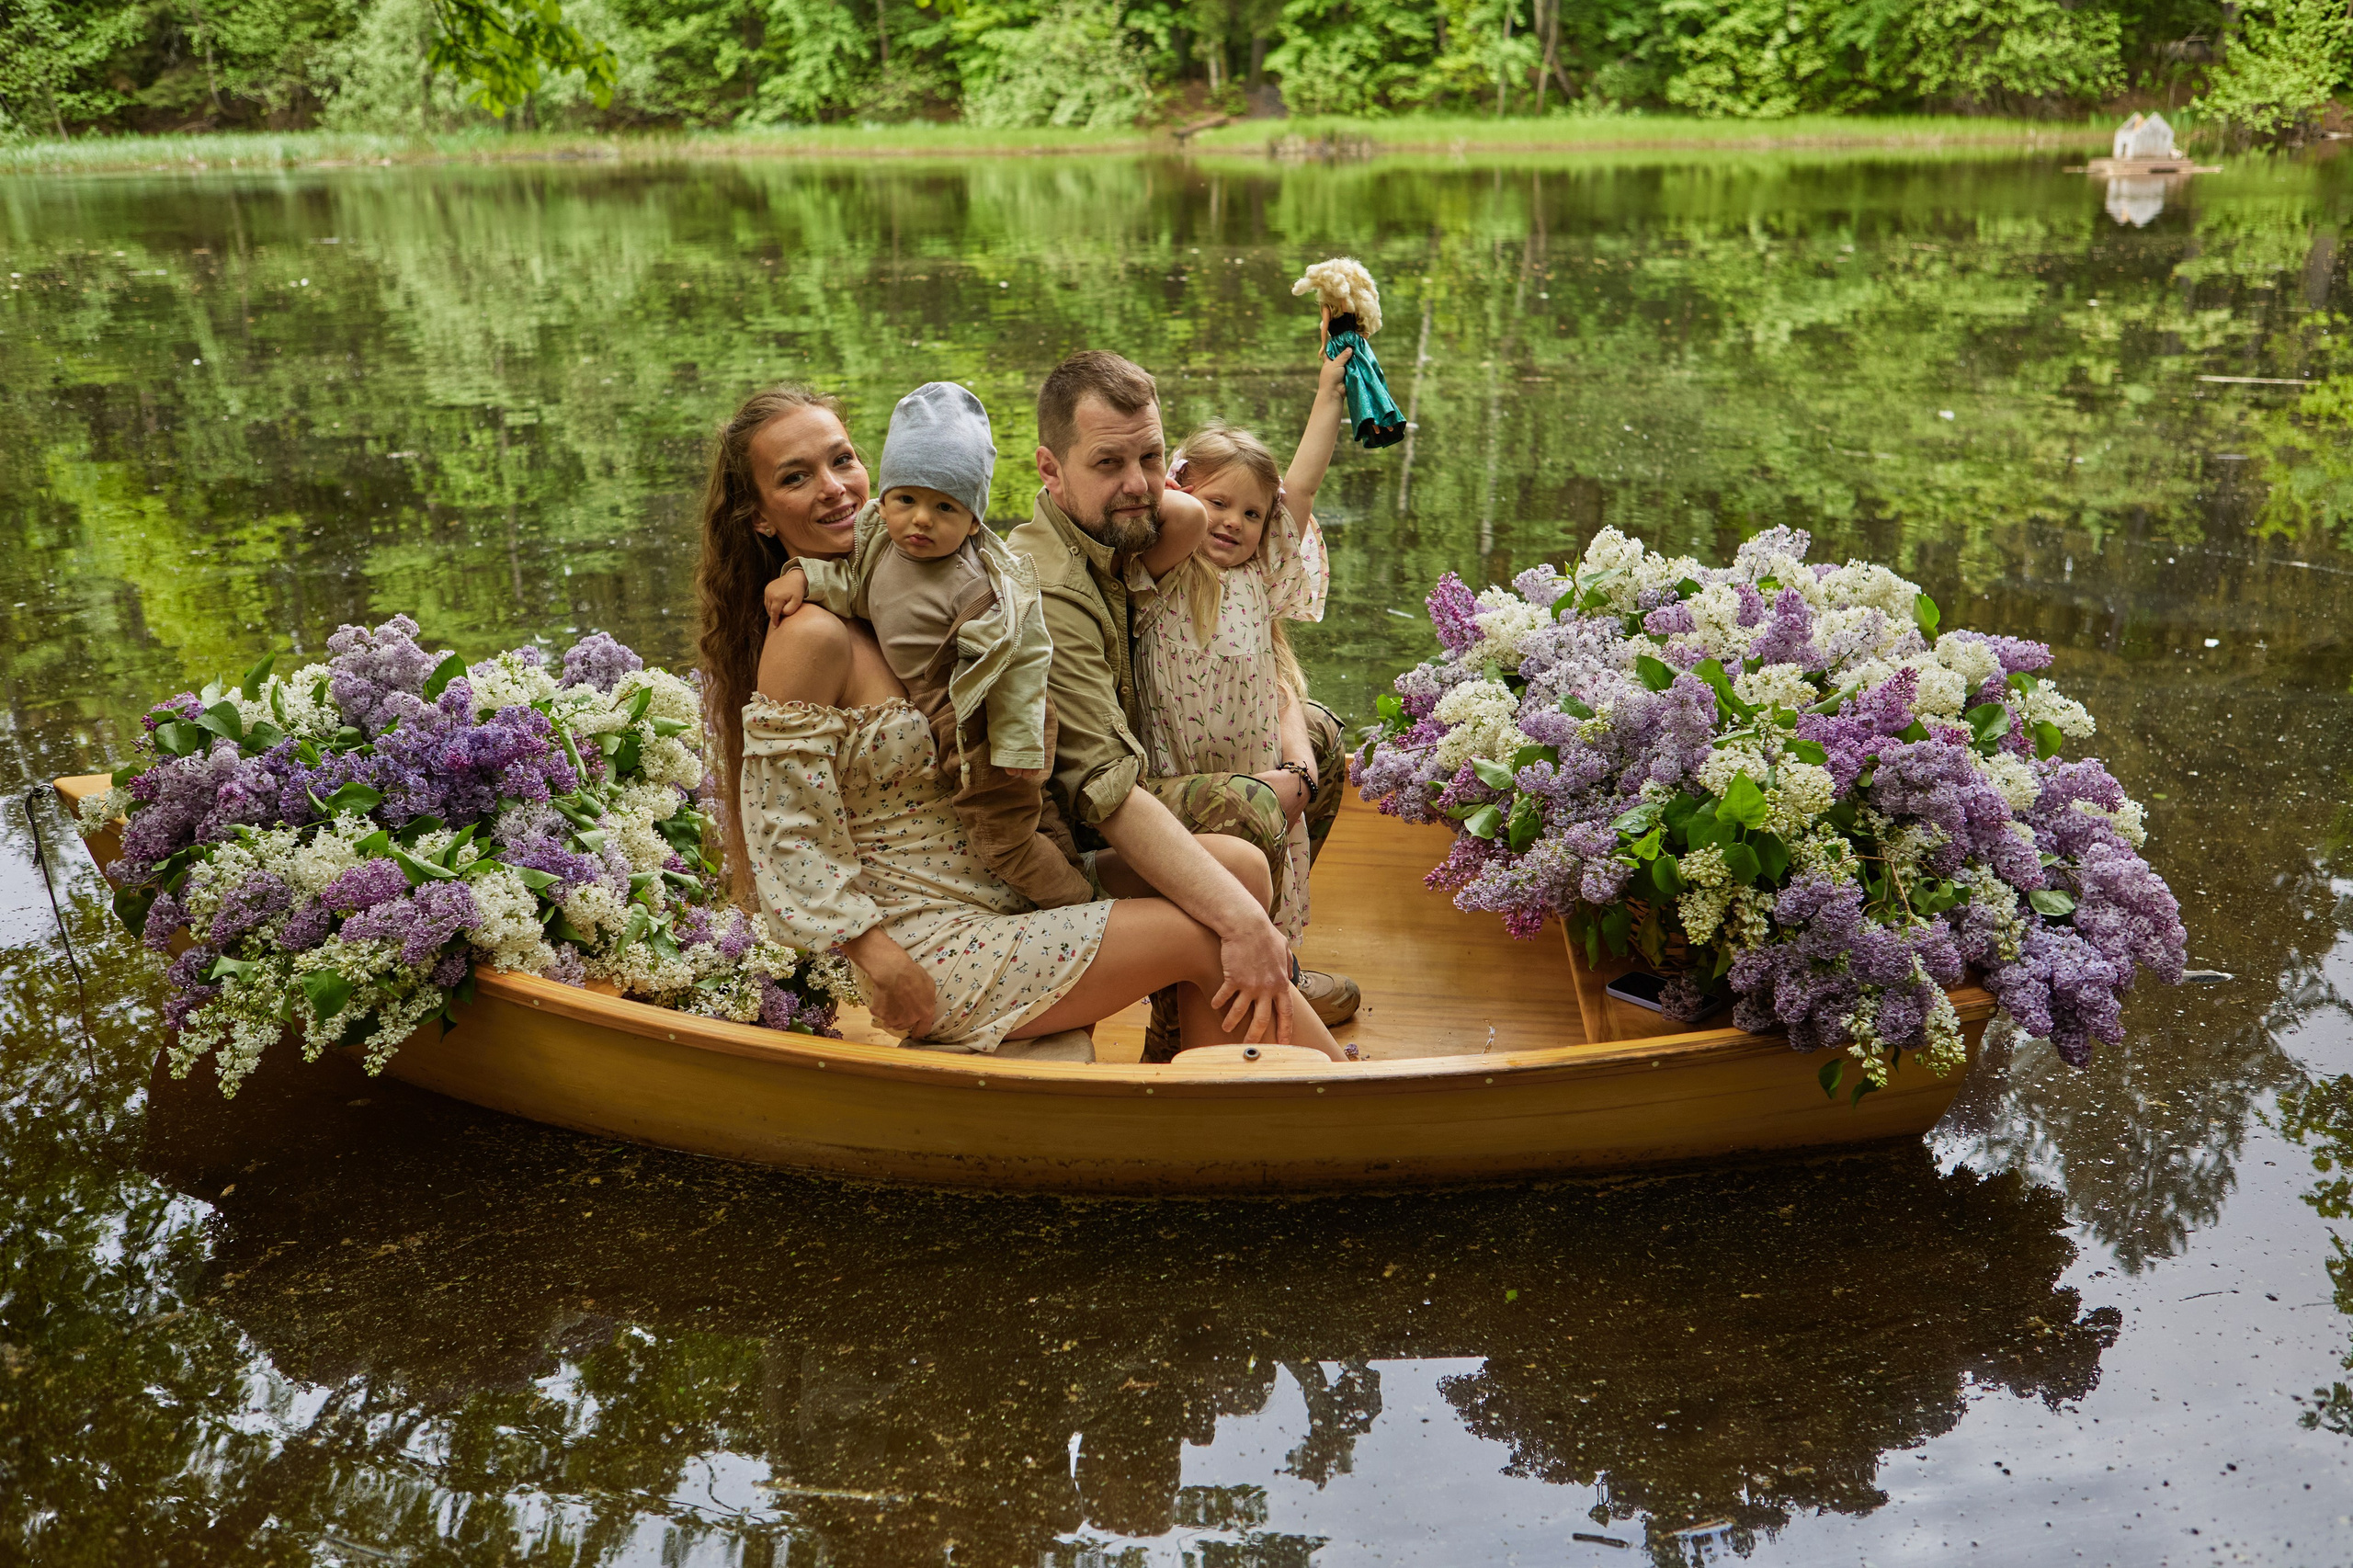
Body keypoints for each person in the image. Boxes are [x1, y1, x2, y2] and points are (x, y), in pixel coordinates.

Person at [694, 383, 1349, 1061]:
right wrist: (876, 956)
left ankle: (1205, 1080)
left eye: (843, 460)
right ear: (762, 517)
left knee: (1238, 866)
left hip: (1011, 881)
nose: (834, 488)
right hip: (934, 939)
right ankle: (1324, 1094)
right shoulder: (809, 638)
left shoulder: (909, 571)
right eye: (796, 478)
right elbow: (785, 830)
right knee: (1201, 933)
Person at [1005, 352, 1360, 1061]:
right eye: (1109, 463)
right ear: (1049, 469)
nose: (1137, 487)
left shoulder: (1129, 533)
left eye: (1152, 457)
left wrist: (1296, 755)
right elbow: (1104, 792)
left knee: (1319, 741)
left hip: (1154, 764)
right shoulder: (1064, 587)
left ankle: (1272, 963)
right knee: (1253, 810)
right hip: (1076, 825)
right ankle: (1216, 990)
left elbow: (1268, 651)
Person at [763, 381, 1101, 911]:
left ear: (972, 522)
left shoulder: (974, 584)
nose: (921, 519)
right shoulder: (880, 545)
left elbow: (1021, 660)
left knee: (1006, 839)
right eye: (906, 500)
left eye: (945, 508)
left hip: (984, 719)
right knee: (1032, 821)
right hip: (953, 723)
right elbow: (856, 589)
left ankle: (1080, 909)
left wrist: (1015, 742)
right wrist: (805, 578)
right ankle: (1077, 890)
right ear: (889, 497)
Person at [1138, 330, 1352, 949]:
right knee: (1203, 907)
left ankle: (1279, 977)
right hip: (1183, 776)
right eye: (1217, 503)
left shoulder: (1259, 576)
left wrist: (1329, 392)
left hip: (1258, 766)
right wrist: (1180, 491)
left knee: (1268, 891)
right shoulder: (1163, 570)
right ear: (1181, 496)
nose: (1233, 521)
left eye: (1252, 514)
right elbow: (1165, 506)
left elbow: (1302, 488)